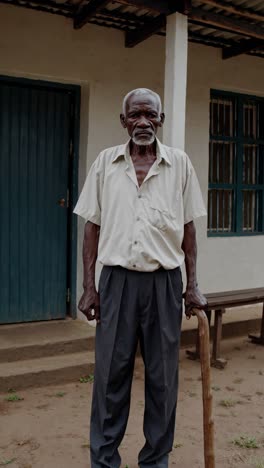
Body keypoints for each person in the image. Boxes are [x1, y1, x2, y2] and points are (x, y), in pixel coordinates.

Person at [74, 88, 207, 468]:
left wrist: (192, 283)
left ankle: (155, 460)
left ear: (161, 121)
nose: (143, 122)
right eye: (136, 115)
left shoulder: (179, 164)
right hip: (116, 283)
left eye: (151, 115)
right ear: (124, 121)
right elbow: (91, 227)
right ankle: (104, 460)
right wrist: (89, 286)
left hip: (164, 284)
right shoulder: (105, 163)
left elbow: (189, 229)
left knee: (163, 381)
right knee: (109, 379)